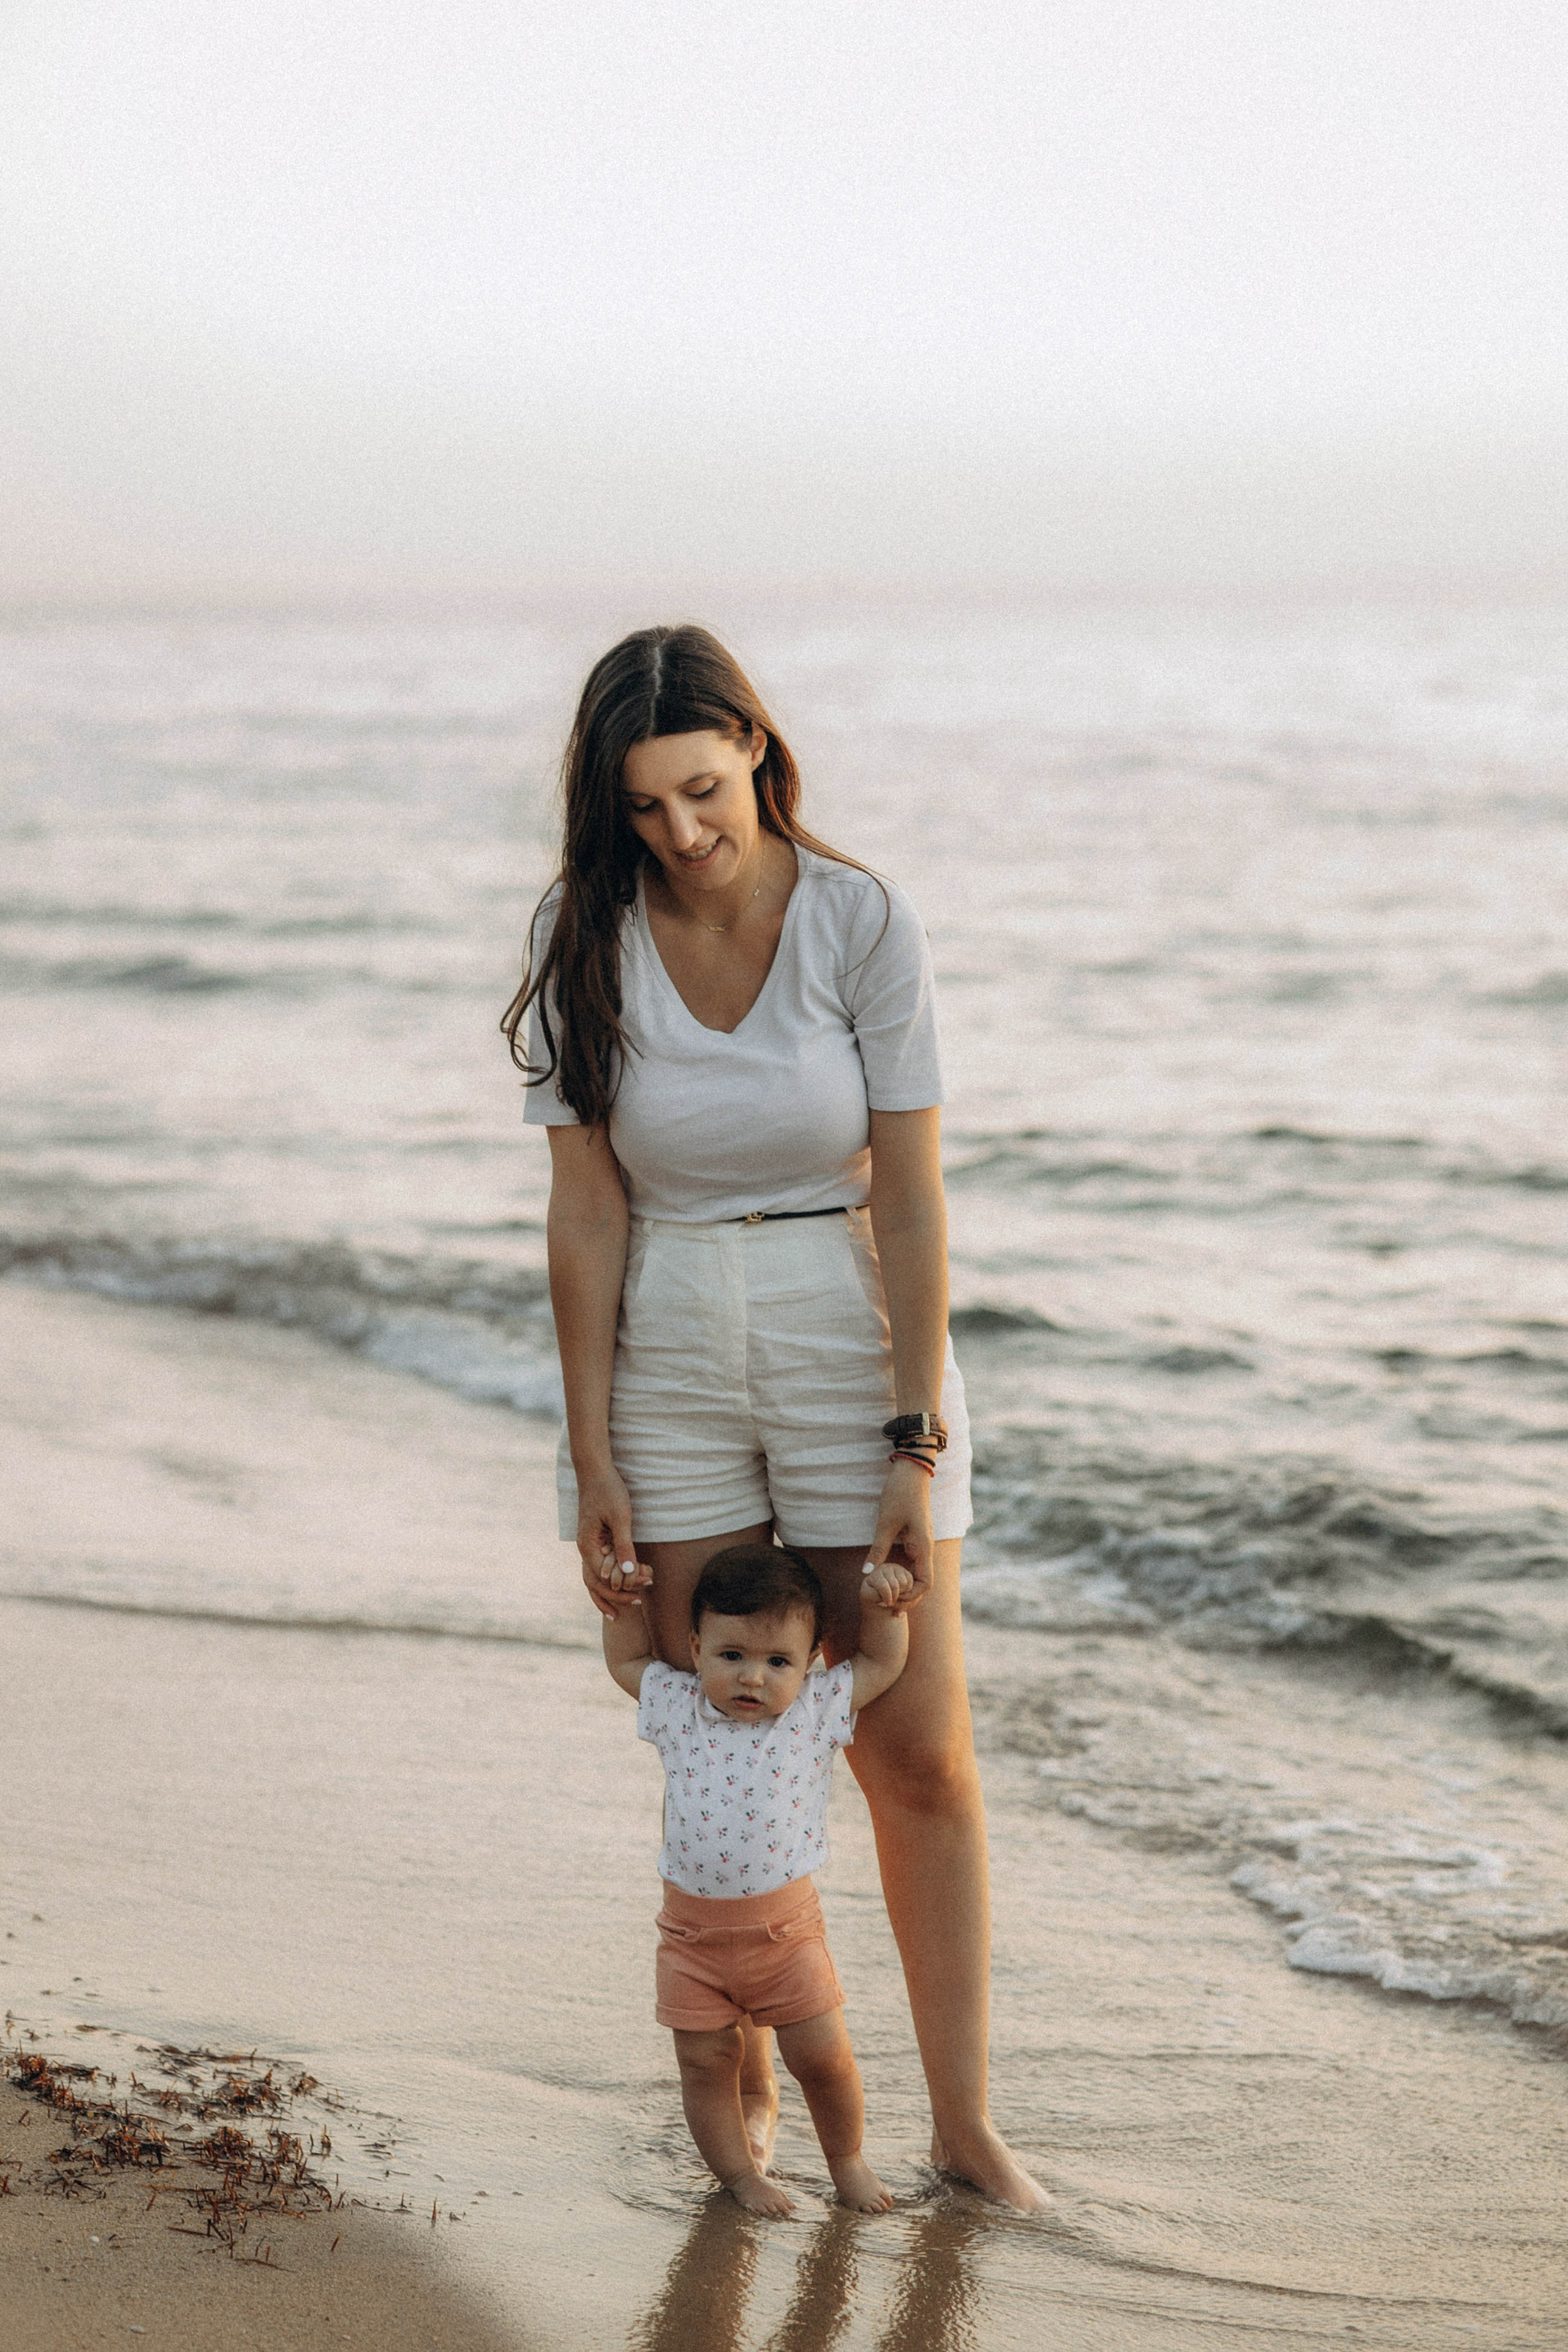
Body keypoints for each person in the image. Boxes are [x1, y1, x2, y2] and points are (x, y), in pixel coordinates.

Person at [503, 623, 1049, 2212]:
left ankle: (959, 2128)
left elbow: (920, 1196)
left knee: (913, 1748)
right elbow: (586, 1212)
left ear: (752, 742)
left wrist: (910, 1439)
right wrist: (591, 1453)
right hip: (667, 1337)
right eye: (645, 809)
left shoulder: (861, 920)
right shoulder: (583, 932)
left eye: (700, 788)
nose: (680, 832)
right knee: (717, 1719)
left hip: (844, 1322)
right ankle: (742, 2141)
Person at [602, 1540, 910, 2215]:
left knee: (823, 2063)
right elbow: (627, 1659)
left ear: (809, 1661)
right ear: (695, 1645)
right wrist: (621, 1604)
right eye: (731, 1656)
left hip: (786, 1936)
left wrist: (884, 1602)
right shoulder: (678, 1705)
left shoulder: (814, 1710)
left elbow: (883, 1660)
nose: (753, 1679)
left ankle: (847, 2162)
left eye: (778, 1662)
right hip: (689, 1941)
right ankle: (740, 2176)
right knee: (704, 2065)